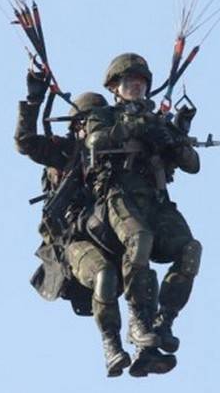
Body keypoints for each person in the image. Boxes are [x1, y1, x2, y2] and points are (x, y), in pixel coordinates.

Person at [83, 53, 203, 376]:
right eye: (129, 83)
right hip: (119, 198)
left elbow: (192, 164)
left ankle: (164, 322)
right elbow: (94, 141)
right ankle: (139, 320)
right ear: (115, 88)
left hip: (156, 202)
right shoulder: (103, 116)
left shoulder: (157, 121)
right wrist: (130, 127)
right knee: (139, 240)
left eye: (141, 83)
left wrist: (173, 139)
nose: (136, 87)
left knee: (189, 250)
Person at [14, 70, 131, 377]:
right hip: (72, 242)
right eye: (87, 122)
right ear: (77, 126)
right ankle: (112, 345)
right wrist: (34, 99)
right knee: (104, 275)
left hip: (109, 236)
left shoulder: (116, 155)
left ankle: (146, 330)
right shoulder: (63, 153)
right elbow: (25, 142)